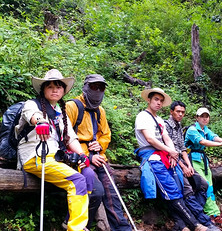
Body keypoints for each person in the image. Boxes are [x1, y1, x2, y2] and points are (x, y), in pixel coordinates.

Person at [16, 69, 90, 231]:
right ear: (43, 90)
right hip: (35, 157)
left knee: (88, 177)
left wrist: (82, 155)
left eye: (58, 86)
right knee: (77, 181)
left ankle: (73, 221)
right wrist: (40, 122)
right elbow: (33, 115)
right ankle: (76, 228)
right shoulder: (32, 104)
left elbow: (71, 138)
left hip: (55, 159)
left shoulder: (60, 113)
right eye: (50, 86)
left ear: (63, 91)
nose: (55, 90)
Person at [135, 88, 208, 231]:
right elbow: (150, 139)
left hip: (164, 155)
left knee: (179, 187)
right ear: (149, 100)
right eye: (156, 99)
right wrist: (170, 151)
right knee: (171, 189)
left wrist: (172, 152)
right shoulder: (142, 116)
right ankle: (195, 225)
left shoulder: (159, 120)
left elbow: (166, 138)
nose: (158, 103)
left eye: (161, 101)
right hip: (151, 156)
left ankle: (182, 225)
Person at [66, 74, 132, 231]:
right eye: (94, 87)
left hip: (99, 156)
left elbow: (106, 134)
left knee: (112, 192)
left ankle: (122, 227)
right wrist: (89, 155)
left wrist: (99, 146)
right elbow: (65, 136)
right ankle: (80, 225)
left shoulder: (100, 111)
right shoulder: (72, 107)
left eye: (101, 88)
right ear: (86, 87)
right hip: (79, 158)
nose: (97, 91)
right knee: (95, 191)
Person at [165, 101, 219, 231]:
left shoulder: (179, 126)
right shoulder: (166, 126)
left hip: (184, 160)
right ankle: (203, 220)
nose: (180, 114)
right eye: (178, 111)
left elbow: (182, 149)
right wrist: (183, 167)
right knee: (187, 189)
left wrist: (188, 165)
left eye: (182, 112)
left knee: (203, 184)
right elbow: (169, 149)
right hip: (171, 161)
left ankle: (193, 212)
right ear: (171, 111)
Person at [184, 108, 222, 226]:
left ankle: (214, 214)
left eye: (207, 116)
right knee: (203, 184)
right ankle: (206, 214)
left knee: (210, 186)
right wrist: (220, 144)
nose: (205, 118)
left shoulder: (205, 129)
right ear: (197, 118)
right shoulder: (192, 130)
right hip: (192, 159)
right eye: (202, 116)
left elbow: (214, 137)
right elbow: (203, 142)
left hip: (202, 160)